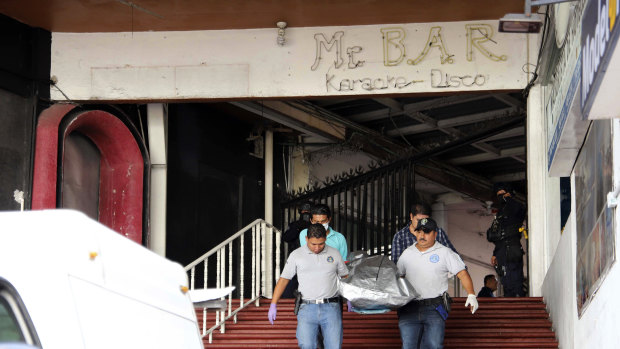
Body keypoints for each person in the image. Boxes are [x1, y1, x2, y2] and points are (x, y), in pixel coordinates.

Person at [396, 217, 478, 349]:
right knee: (408, 346)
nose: (422, 236)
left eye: (427, 232)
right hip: (408, 308)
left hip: (434, 308)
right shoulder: (407, 254)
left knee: (433, 345)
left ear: (435, 234)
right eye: (419, 232)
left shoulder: (445, 253)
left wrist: (471, 295)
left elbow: (462, 273)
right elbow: (397, 277)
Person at [268, 223, 349, 349]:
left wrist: (350, 298)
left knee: (334, 346)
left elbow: (345, 277)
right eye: (313, 244)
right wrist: (273, 304)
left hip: (331, 307)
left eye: (321, 244)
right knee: (306, 345)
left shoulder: (335, 254)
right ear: (306, 239)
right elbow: (284, 280)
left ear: (325, 239)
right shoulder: (296, 255)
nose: (317, 248)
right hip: (307, 308)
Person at [488, 182, 526, 297]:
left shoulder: (515, 207)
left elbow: (519, 209)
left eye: (503, 194)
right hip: (501, 251)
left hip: (512, 248)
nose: (501, 197)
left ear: (509, 194)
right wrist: (495, 253)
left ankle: (518, 303)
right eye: (498, 195)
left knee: (515, 280)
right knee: (506, 281)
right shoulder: (500, 212)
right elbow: (497, 235)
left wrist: (509, 199)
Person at [392, 201, 459, 264]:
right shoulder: (400, 237)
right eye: (418, 220)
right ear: (411, 216)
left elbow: (454, 257)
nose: (421, 224)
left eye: (425, 220)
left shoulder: (438, 232)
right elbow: (397, 265)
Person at [281, 201, 312, 298]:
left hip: (311, 257)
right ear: (300, 212)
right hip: (296, 255)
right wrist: (297, 228)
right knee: (291, 278)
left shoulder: (315, 225)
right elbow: (286, 237)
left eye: (308, 211)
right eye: (304, 211)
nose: (306, 213)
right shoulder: (295, 224)